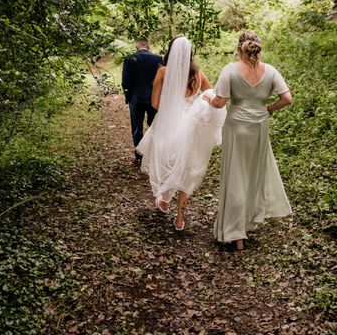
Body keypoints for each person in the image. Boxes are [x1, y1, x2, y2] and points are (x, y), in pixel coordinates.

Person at [204, 30, 292, 251]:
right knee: (253, 174)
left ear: (239, 48)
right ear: (257, 47)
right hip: (259, 127)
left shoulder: (230, 70)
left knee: (235, 175)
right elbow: (287, 99)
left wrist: (208, 97)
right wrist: (268, 108)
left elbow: (220, 102)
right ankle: (247, 221)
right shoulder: (270, 71)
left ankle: (236, 234)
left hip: (236, 128)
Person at [137, 36, 226, 231]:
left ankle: (163, 199)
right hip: (190, 126)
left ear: (171, 51)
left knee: (166, 161)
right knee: (186, 168)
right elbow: (210, 96)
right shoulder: (199, 75)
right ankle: (179, 218)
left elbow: (154, 104)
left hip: (167, 123)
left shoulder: (163, 72)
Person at [122, 38, 163, 163]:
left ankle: (139, 156)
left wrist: (127, 97)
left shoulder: (129, 59)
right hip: (154, 98)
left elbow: (126, 81)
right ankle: (153, 154)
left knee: (137, 127)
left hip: (136, 98)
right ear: (148, 46)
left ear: (136, 47)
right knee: (154, 126)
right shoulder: (158, 59)